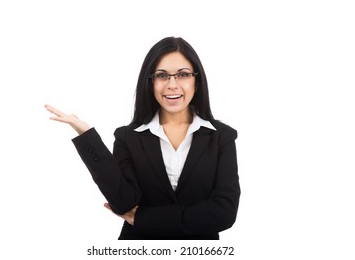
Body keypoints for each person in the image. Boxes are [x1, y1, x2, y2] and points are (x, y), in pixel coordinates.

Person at [45, 37, 240, 240]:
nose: (172, 84)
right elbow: (123, 203)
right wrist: (87, 136)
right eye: (162, 75)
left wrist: (143, 218)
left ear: (196, 82)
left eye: (183, 74)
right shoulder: (127, 137)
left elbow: (225, 212)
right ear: (150, 82)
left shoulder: (222, 137)